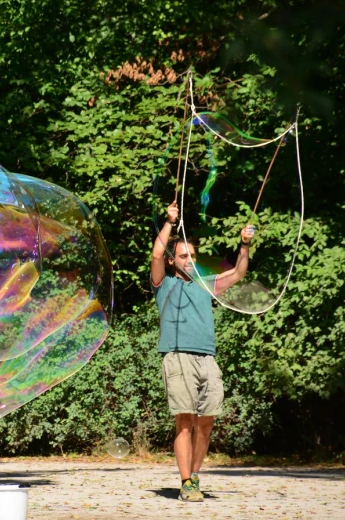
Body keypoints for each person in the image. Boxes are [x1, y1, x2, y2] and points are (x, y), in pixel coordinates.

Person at [150, 201, 254, 502]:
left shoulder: (205, 284)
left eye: (193, 256)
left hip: (207, 357)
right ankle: (185, 481)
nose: (189, 260)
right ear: (173, 260)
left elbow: (237, 274)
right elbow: (157, 253)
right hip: (177, 354)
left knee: (206, 421)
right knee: (184, 419)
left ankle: (194, 477)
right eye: (183, 256)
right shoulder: (163, 284)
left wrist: (244, 245)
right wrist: (169, 222)